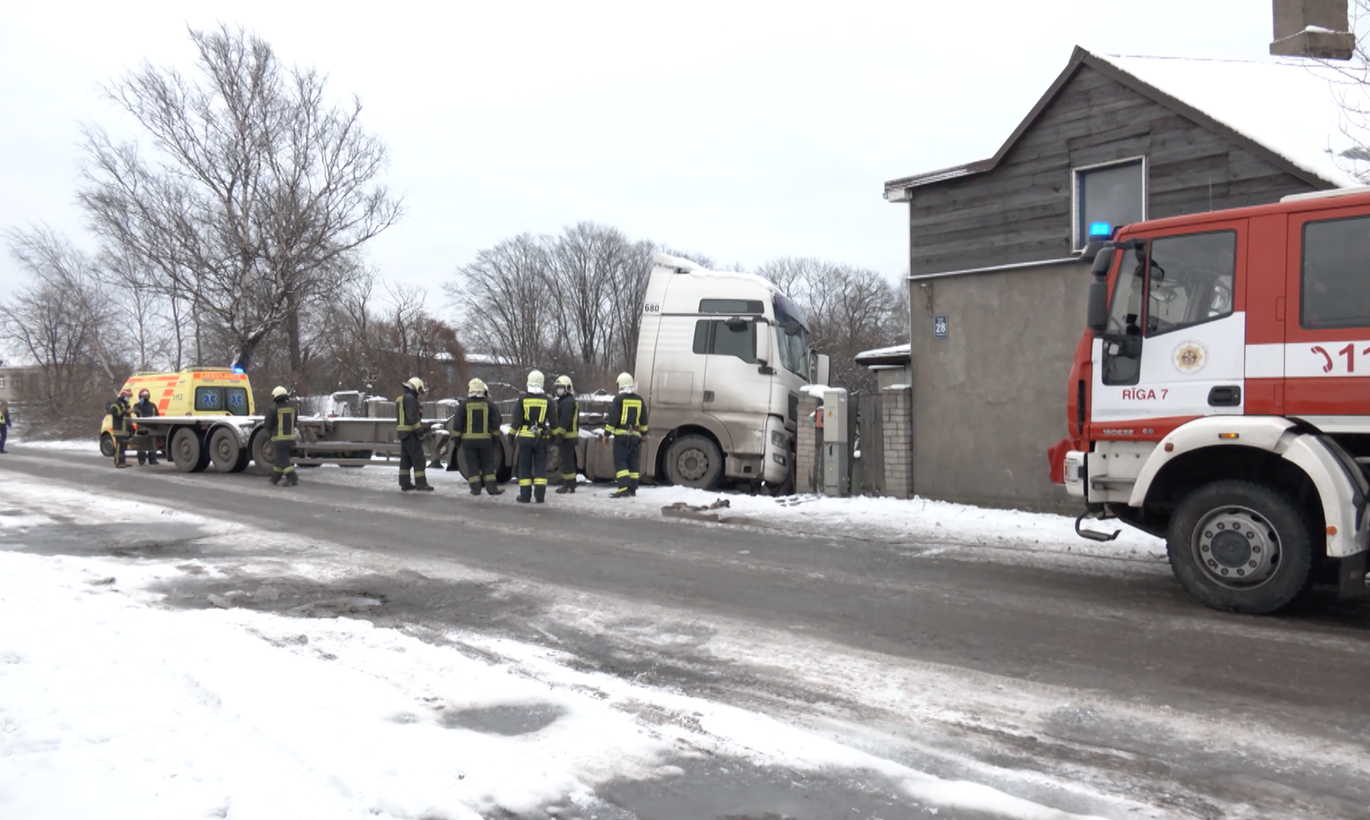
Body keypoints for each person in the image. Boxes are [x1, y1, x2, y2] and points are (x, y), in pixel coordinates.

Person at [447, 378, 504, 496]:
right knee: (488, 464)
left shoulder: (463, 405)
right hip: (486, 442)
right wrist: (495, 439)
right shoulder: (490, 405)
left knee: (472, 465)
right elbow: (496, 422)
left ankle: (475, 489)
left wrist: (457, 440)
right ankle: (491, 488)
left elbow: (457, 424)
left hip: (468, 442)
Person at [605, 372, 648, 498]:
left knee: (620, 461)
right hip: (635, 437)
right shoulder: (639, 400)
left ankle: (623, 487)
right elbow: (643, 419)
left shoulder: (618, 399)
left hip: (621, 436)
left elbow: (612, 419)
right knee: (632, 462)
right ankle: (632, 488)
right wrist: (644, 434)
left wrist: (606, 434)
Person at [513, 369, 552, 503]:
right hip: (541, 438)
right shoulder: (548, 400)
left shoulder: (522, 400)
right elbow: (554, 421)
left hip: (525, 438)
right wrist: (556, 436)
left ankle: (525, 496)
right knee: (540, 466)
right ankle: (540, 496)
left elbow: (516, 421)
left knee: (524, 467)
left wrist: (510, 436)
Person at [397, 376, 434, 492]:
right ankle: (421, 483)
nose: (420, 395)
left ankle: (405, 483)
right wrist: (420, 431)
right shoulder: (410, 399)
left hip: (403, 434)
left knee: (406, 460)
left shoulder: (401, 398)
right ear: (416, 388)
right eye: (420, 391)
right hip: (411, 433)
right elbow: (412, 418)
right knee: (419, 459)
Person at [262, 386, 298, 486]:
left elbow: (268, 424)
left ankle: (292, 477)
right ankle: (274, 478)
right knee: (278, 459)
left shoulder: (273, 410)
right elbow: (294, 423)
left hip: (278, 439)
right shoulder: (292, 409)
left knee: (283, 460)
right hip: (290, 438)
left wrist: (269, 433)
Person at [552, 375, 579, 493]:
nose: (559, 389)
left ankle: (568, 485)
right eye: (557, 387)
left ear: (567, 387)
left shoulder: (567, 402)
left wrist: (558, 434)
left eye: (561, 387)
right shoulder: (566, 401)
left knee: (566, 462)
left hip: (567, 436)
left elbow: (565, 420)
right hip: (568, 436)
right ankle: (569, 484)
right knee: (566, 461)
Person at [132, 388, 160, 466]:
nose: (145, 397)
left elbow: (157, 415)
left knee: (152, 445)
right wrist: (141, 405)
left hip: (151, 428)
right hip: (141, 429)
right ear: (140, 396)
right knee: (141, 446)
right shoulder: (137, 405)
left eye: (146, 396)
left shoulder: (152, 405)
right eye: (143, 396)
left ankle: (152, 460)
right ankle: (141, 460)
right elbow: (137, 412)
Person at [107, 387, 134, 468]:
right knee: (119, 446)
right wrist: (126, 411)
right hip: (119, 429)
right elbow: (115, 413)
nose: (128, 398)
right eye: (127, 396)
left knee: (123, 447)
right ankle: (118, 462)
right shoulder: (116, 403)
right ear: (123, 395)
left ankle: (123, 462)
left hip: (125, 429)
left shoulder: (125, 404)